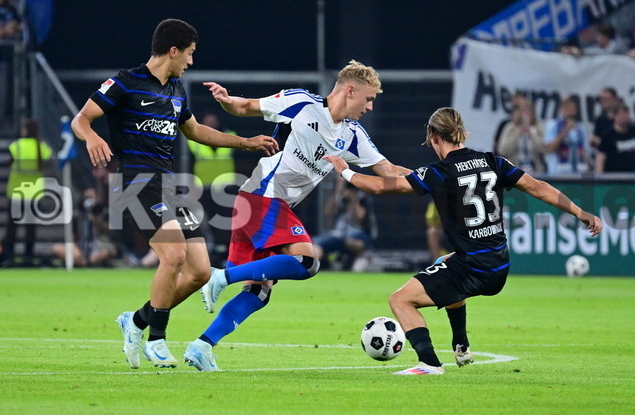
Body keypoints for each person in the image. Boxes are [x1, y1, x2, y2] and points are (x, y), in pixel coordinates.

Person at [324, 107, 602, 375]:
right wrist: (580, 212)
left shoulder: (440, 172)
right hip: (498, 265)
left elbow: (380, 187)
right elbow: (538, 188)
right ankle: (461, 345)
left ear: (434, 137)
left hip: (473, 267)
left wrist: (345, 171)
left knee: (400, 300)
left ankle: (429, 363)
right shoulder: (494, 162)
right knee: (444, 263)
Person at [70, 18, 278, 369]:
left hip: (168, 185)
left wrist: (247, 142)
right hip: (135, 183)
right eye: (190, 53)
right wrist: (91, 136)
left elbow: (196, 131)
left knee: (200, 272)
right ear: (173, 51)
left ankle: (136, 320)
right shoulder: (126, 82)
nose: (191, 62)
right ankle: (156, 339)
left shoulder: (177, 91)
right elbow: (81, 119)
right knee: (174, 254)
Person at [183, 59, 412, 371]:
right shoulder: (302, 103)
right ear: (350, 90)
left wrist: (433, 178)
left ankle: (201, 346)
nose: (370, 107)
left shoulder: (352, 135)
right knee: (307, 262)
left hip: (259, 205)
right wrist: (226, 100)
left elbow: (388, 170)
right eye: (368, 99)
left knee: (258, 292)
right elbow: (246, 107)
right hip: (263, 196)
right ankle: (219, 277)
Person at [187, 112, 237, 267]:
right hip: (204, 187)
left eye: (213, 120)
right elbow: (189, 163)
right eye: (207, 120)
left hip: (225, 187)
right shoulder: (194, 139)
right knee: (208, 221)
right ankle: (213, 252)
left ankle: (227, 253)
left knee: (227, 221)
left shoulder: (231, 135)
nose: (211, 123)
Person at [1, 117, 53, 267]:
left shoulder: (17, 146)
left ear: (25, 130)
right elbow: (48, 161)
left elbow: (9, 161)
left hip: (16, 191)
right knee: (31, 227)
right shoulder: (41, 146)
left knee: (13, 226)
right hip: (33, 193)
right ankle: (28, 255)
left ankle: (9, 255)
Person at [313, 175, 377, 272]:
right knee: (316, 243)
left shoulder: (362, 197)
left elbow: (360, 217)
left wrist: (353, 199)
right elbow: (328, 212)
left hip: (358, 233)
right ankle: (315, 265)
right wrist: (339, 190)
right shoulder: (340, 196)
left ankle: (362, 259)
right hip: (338, 234)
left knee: (352, 241)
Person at [496, 100, 546, 174]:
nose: (527, 116)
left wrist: (532, 132)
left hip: (535, 170)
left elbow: (543, 149)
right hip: (514, 169)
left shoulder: (538, 128)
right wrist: (517, 134)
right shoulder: (510, 128)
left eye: (530, 113)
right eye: (525, 112)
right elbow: (502, 150)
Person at [544, 96, 590, 175]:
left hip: (578, 172)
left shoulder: (580, 128)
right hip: (559, 172)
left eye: (572, 108)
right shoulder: (554, 126)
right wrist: (564, 133)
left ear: (576, 110)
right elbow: (549, 149)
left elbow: (585, 151)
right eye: (566, 108)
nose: (569, 111)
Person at [594, 102, 635, 173]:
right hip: (615, 176)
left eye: (626, 114)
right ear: (615, 116)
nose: (624, 117)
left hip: (634, 175)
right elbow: (601, 157)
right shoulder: (608, 135)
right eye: (621, 115)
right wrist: (599, 176)